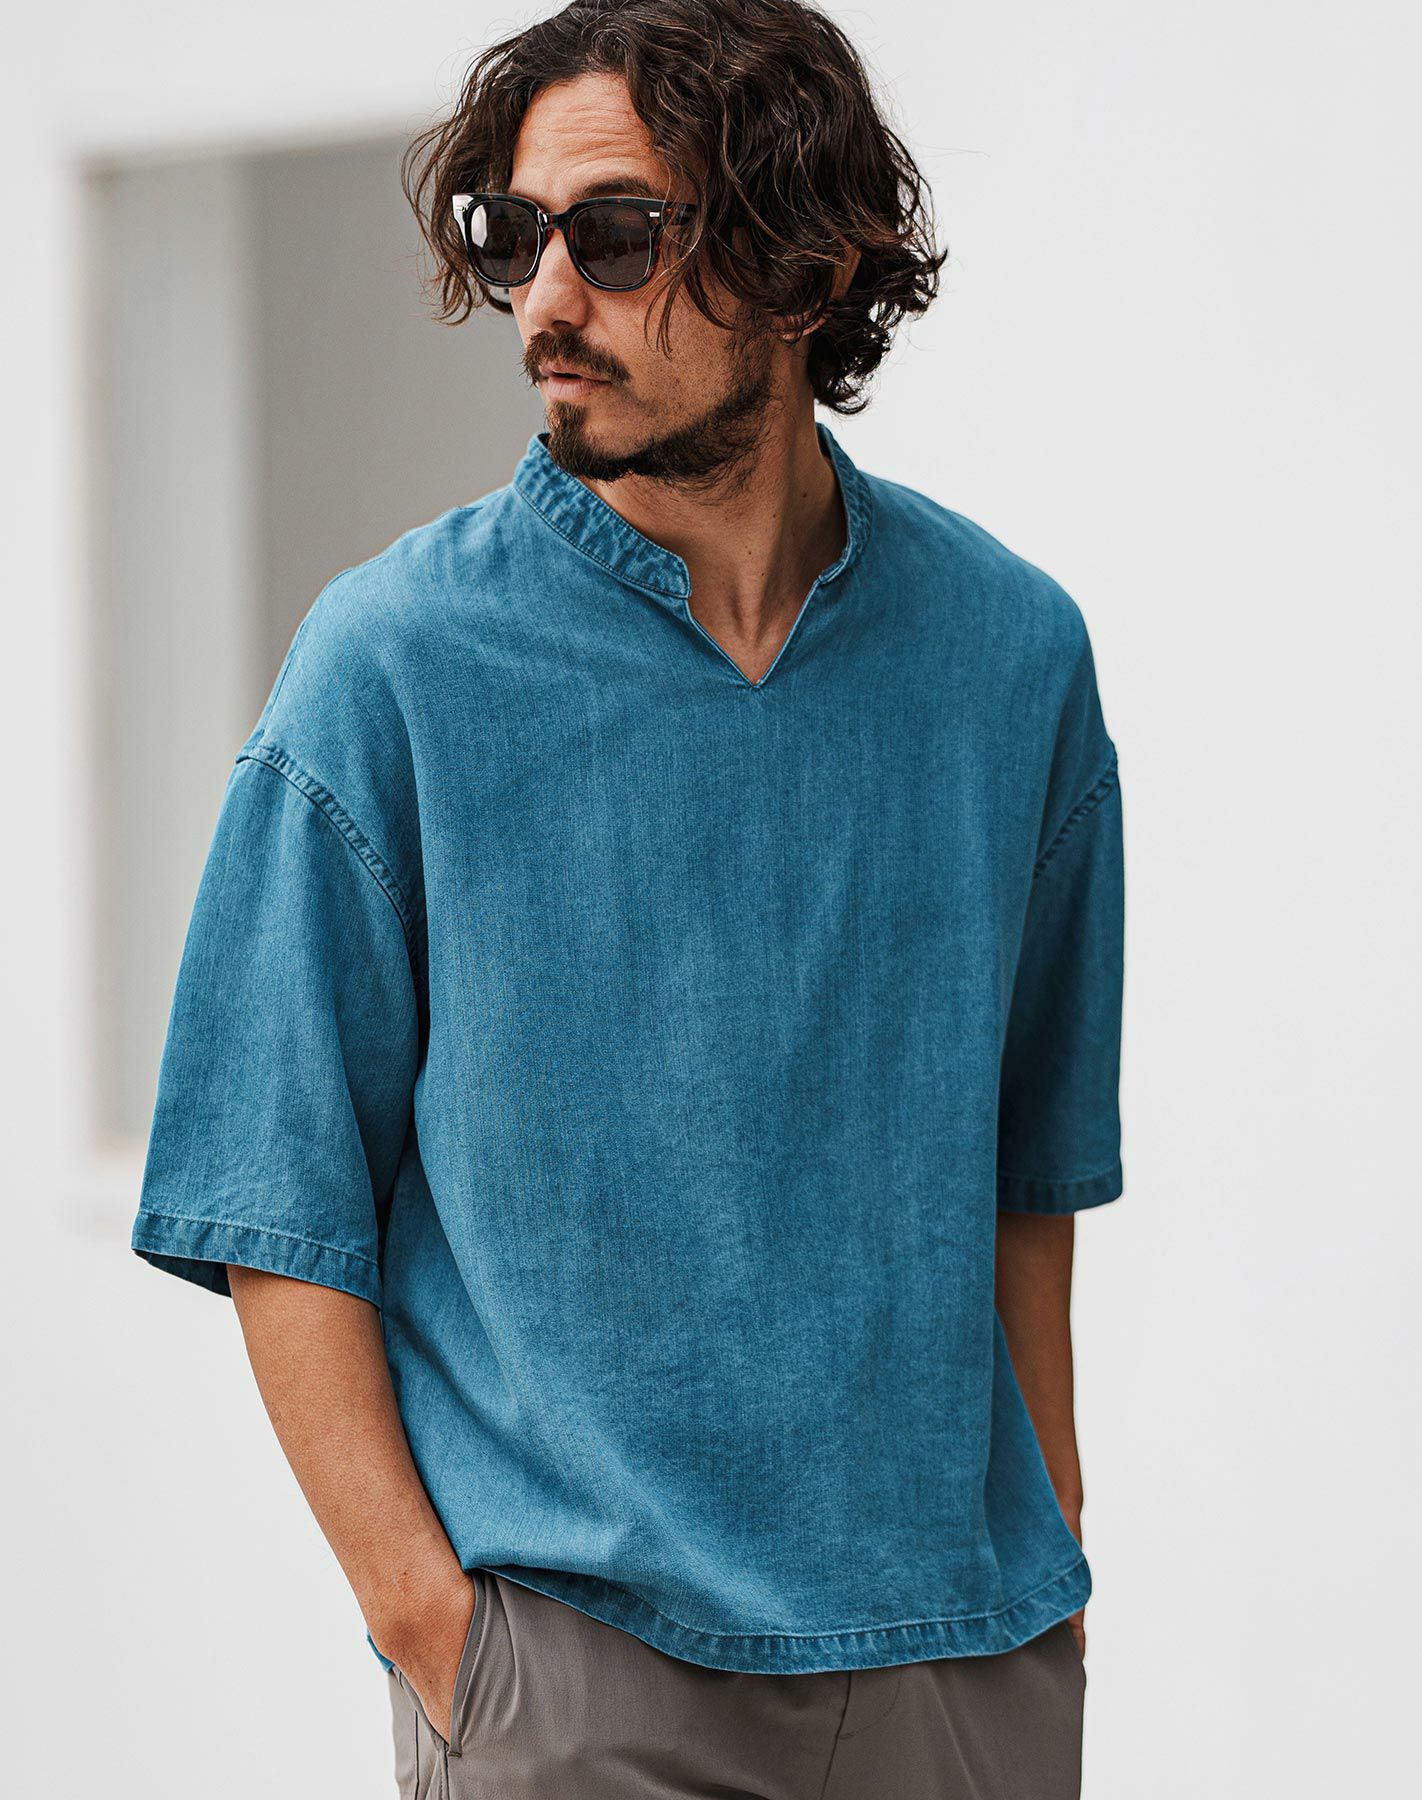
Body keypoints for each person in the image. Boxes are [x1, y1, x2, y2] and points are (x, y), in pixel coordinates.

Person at [129, 1, 1125, 1794]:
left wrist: (1046, 1545)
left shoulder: (1009, 656)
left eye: (614, 235)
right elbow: (269, 1202)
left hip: (960, 1671)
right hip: (579, 1685)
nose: (544, 301)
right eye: (512, 236)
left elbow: (1028, 1168)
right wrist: (441, 1635)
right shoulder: (393, 665)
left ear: (810, 263)